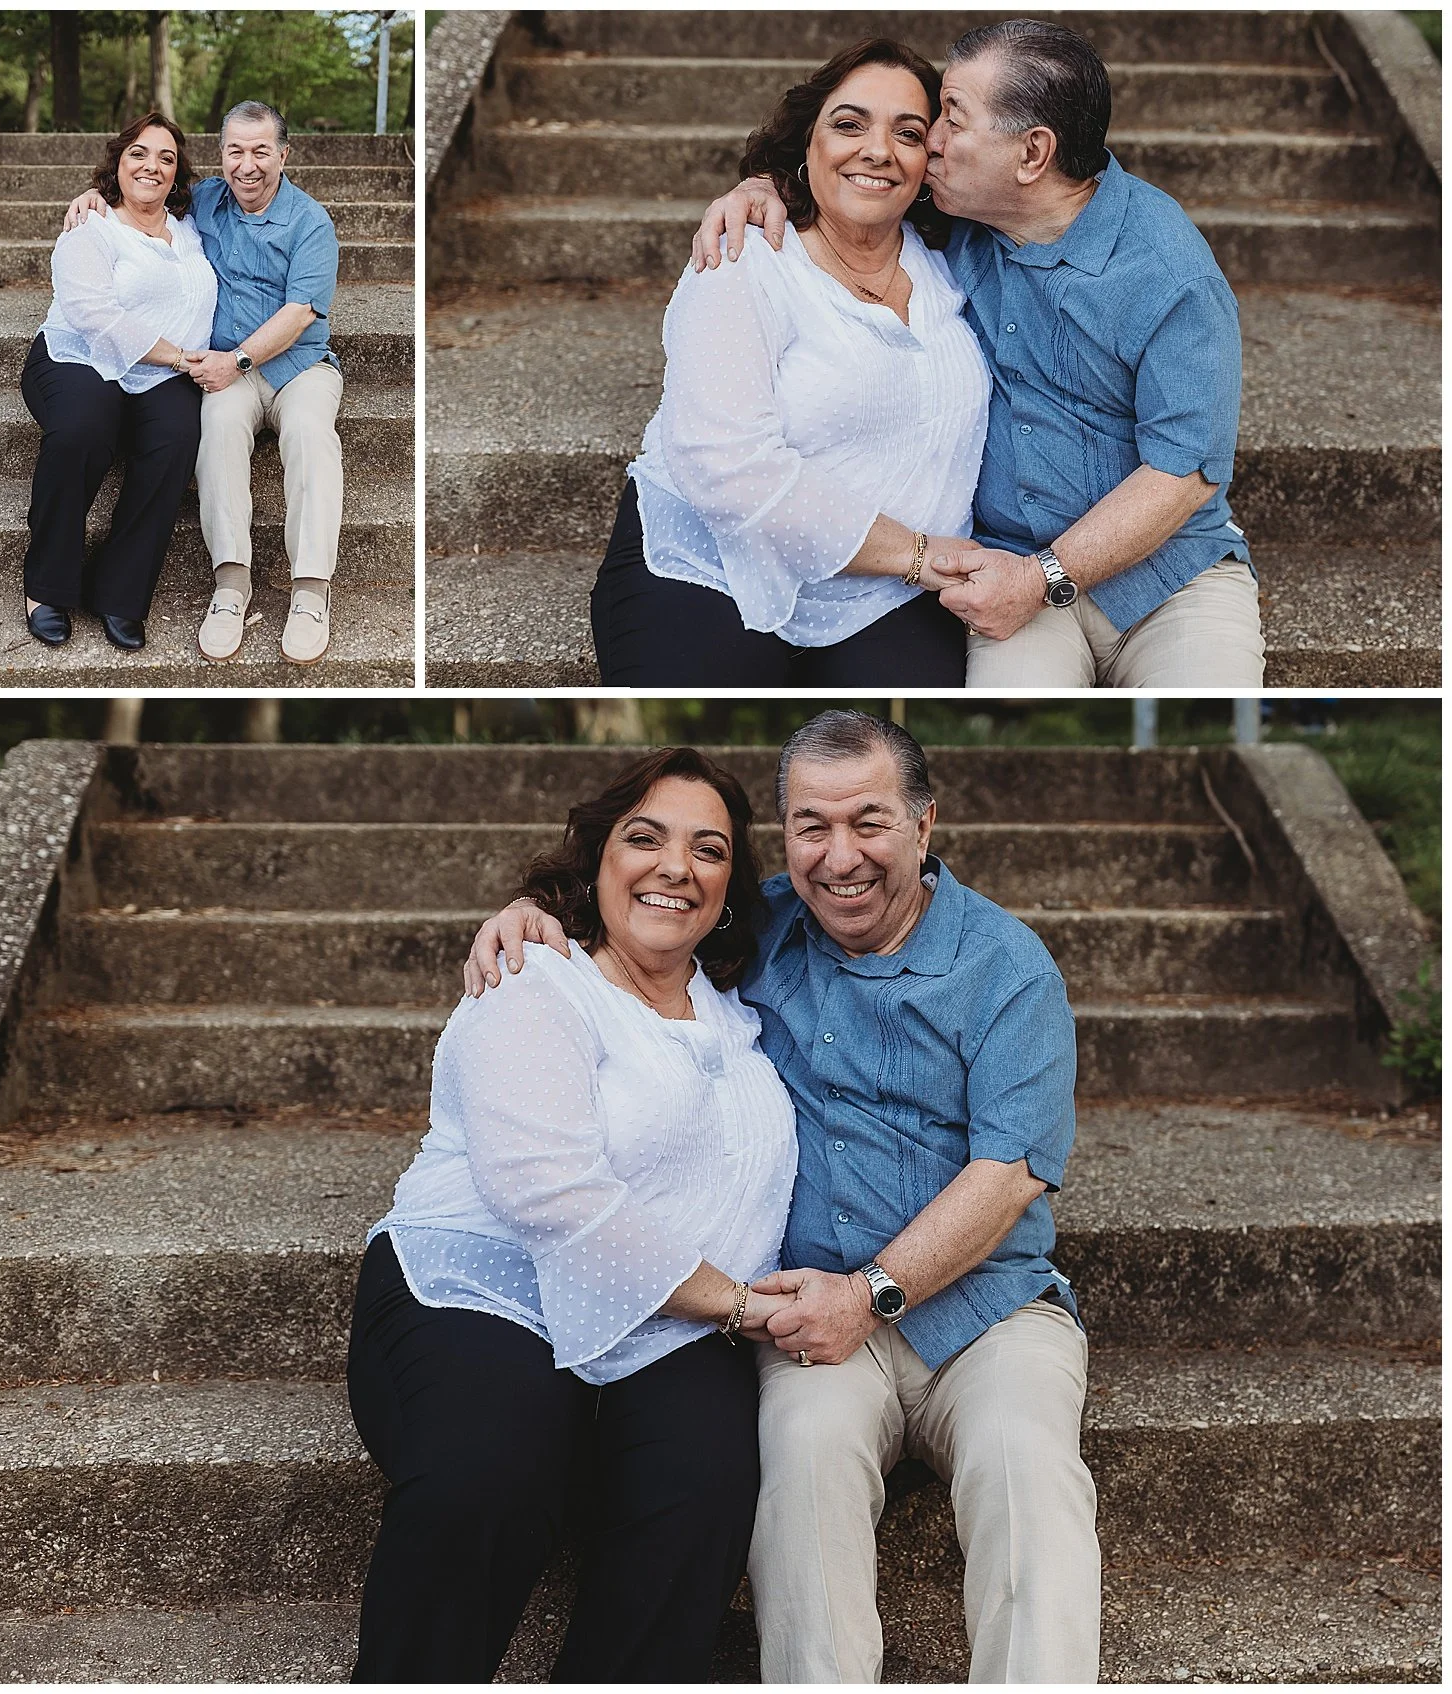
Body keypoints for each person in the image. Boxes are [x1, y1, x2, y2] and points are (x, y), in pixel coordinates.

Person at [465, 710, 1101, 1683]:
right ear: (786, 833)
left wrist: (872, 1295)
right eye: (812, 824)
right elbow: (641, 912)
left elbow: (1009, 1173)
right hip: (806, 1311)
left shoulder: (1007, 967)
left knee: (1026, 1466)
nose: (840, 856)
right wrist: (527, 912)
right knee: (800, 1469)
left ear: (925, 826)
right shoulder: (757, 927)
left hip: (988, 1309)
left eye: (870, 822)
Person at [348, 748, 799, 1682]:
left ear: (728, 889)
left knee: (708, 1488)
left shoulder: (745, 1014)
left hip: (665, 1327)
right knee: (491, 1469)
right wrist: (740, 1302)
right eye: (646, 838)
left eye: (709, 850)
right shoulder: (537, 980)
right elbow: (543, 1188)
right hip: (485, 1284)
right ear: (595, 860)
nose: (677, 866)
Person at [693, 19, 1266, 688]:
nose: (927, 142)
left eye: (951, 121)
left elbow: (1184, 472)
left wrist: (1042, 577)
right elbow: (852, 186)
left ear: (1032, 155)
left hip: (1170, 581)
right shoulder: (955, 217)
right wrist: (764, 190)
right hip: (1005, 570)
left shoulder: (1169, 275)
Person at [591, 39, 990, 685]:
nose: (878, 150)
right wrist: (917, 553)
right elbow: (724, 465)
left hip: (882, 592)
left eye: (908, 133)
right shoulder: (743, 260)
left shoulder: (957, 257)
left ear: (930, 160)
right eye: (848, 124)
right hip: (713, 559)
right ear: (808, 142)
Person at [65, 101, 344, 666]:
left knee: (313, 435)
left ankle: (311, 592)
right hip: (225, 370)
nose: (247, 165)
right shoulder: (206, 201)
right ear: (220, 157)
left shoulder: (311, 222)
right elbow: (142, 192)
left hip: (298, 367)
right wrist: (92, 198)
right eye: (235, 151)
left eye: (261, 151)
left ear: (283, 155)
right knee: (213, 427)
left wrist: (237, 360)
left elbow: (299, 314)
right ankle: (230, 586)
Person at [20, 112, 215, 652]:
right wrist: (178, 357)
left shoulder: (194, 227)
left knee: (177, 438)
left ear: (178, 176)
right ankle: (47, 585)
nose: (152, 166)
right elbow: (93, 316)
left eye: (166, 158)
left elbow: (251, 184)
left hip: (159, 374)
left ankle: (120, 591)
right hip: (77, 356)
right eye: (139, 154)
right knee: (84, 426)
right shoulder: (93, 226)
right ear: (118, 163)